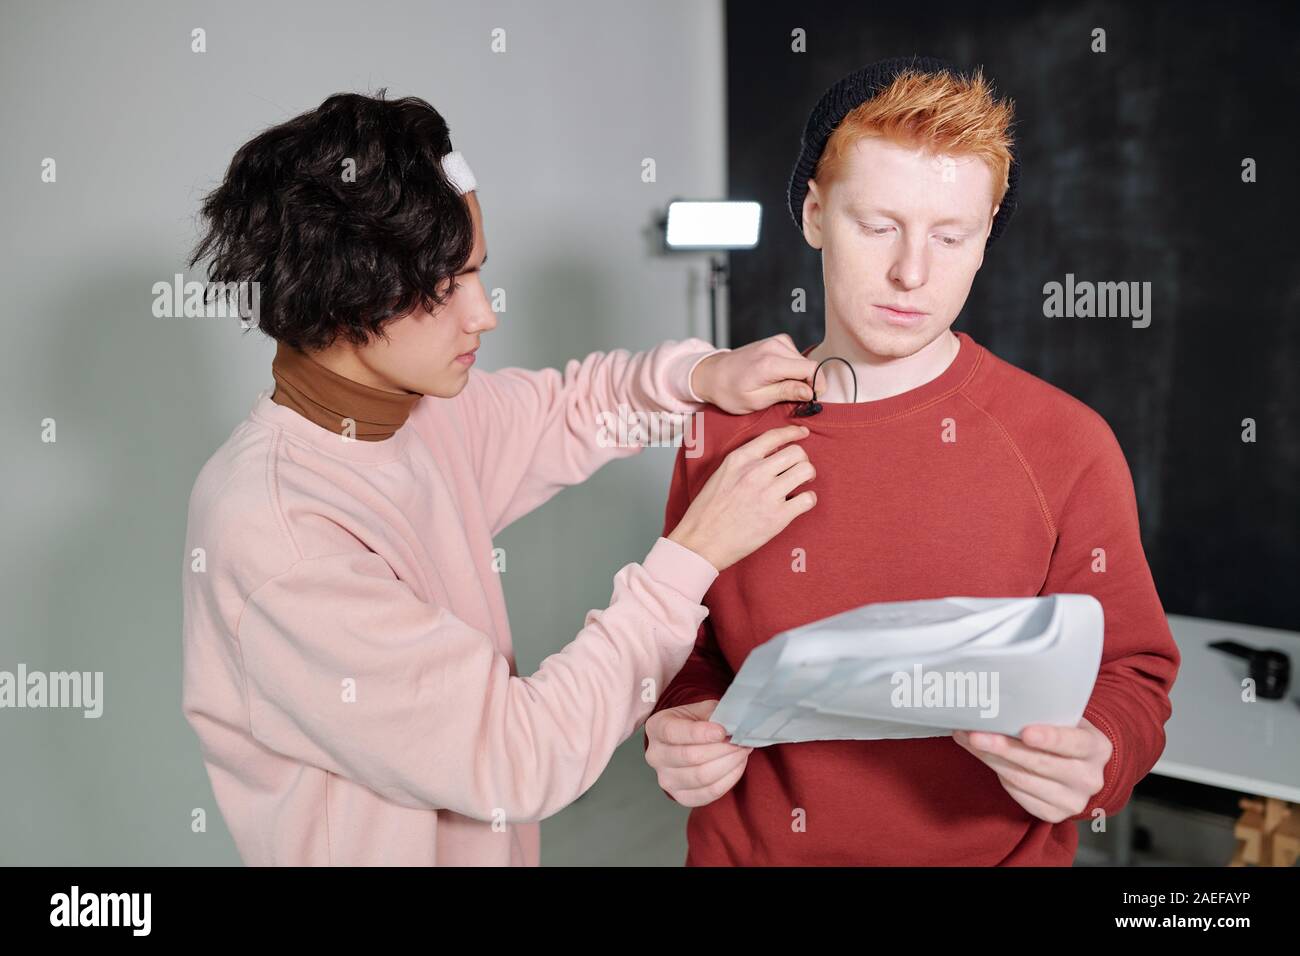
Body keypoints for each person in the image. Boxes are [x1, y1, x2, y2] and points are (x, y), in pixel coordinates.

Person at [180, 90, 824, 865]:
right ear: (346, 293)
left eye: (478, 273)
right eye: (448, 286)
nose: (483, 314)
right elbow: (522, 755)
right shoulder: (279, 534)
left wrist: (702, 374)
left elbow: (574, 410)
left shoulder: (417, 412)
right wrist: (694, 556)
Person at [644, 56, 1181, 865]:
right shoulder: (722, 429)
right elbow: (687, 648)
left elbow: (1133, 672)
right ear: (816, 215)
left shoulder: (1066, 444)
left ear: (986, 237)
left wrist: (1099, 753)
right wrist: (679, 722)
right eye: (879, 225)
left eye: (950, 235)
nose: (911, 273)